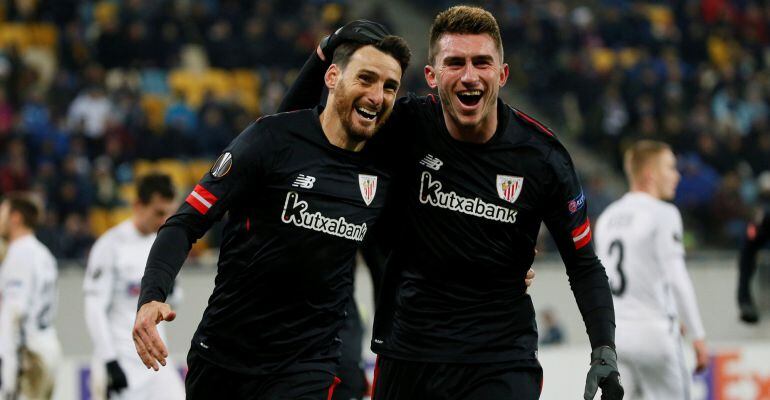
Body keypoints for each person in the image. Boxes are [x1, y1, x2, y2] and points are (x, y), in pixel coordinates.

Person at [281, 7, 622, 400]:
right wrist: (325, 52)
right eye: (455, 62)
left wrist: (603, 348)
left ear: (502, 74)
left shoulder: (543, 158)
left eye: (482, 63)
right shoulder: (403, 124)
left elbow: (583, 264)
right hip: (408, 354)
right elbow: (293, 140)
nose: (469, 76)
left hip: (499, 361)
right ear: (432, 76)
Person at [133, 35, 411, 400]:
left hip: (308, 363)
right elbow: (184, 223)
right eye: (366, 78)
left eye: (390, 86)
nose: (378, 96)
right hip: (224, 357)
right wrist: (152, 296)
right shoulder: (270, 140)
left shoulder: (385, 169)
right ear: (331, 77)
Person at [595, 140, 708, 399]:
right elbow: (677, 277)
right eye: (670, 167)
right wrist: (698, 335)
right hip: (655, 335)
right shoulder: (663, 213)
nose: (676, 175)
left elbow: (601, 283)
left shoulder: (607, 218)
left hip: (616, 338)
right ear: (650, 175)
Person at [84, 174, 184, 400]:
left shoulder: (160, 247)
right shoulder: (110, 245)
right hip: (121, 361)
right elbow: (94, 308)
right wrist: (109, 360)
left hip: (156, 362)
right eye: (159, 212)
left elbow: (174, 300)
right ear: (138, 206)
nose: (165, 219)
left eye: (170, 212)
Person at [0, 193, 61, 400]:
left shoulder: (19, 253)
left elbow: (15, 313)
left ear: (15, 217)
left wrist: (8, 364)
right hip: (47, 342)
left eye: (2, 212)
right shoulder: (43, 253)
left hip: (27, 353)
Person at [737, 171, 770, 323]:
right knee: (746, 260)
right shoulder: (760, 210)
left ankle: (745, 301)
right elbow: (752, 234)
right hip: (757, 245)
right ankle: (745, 302)